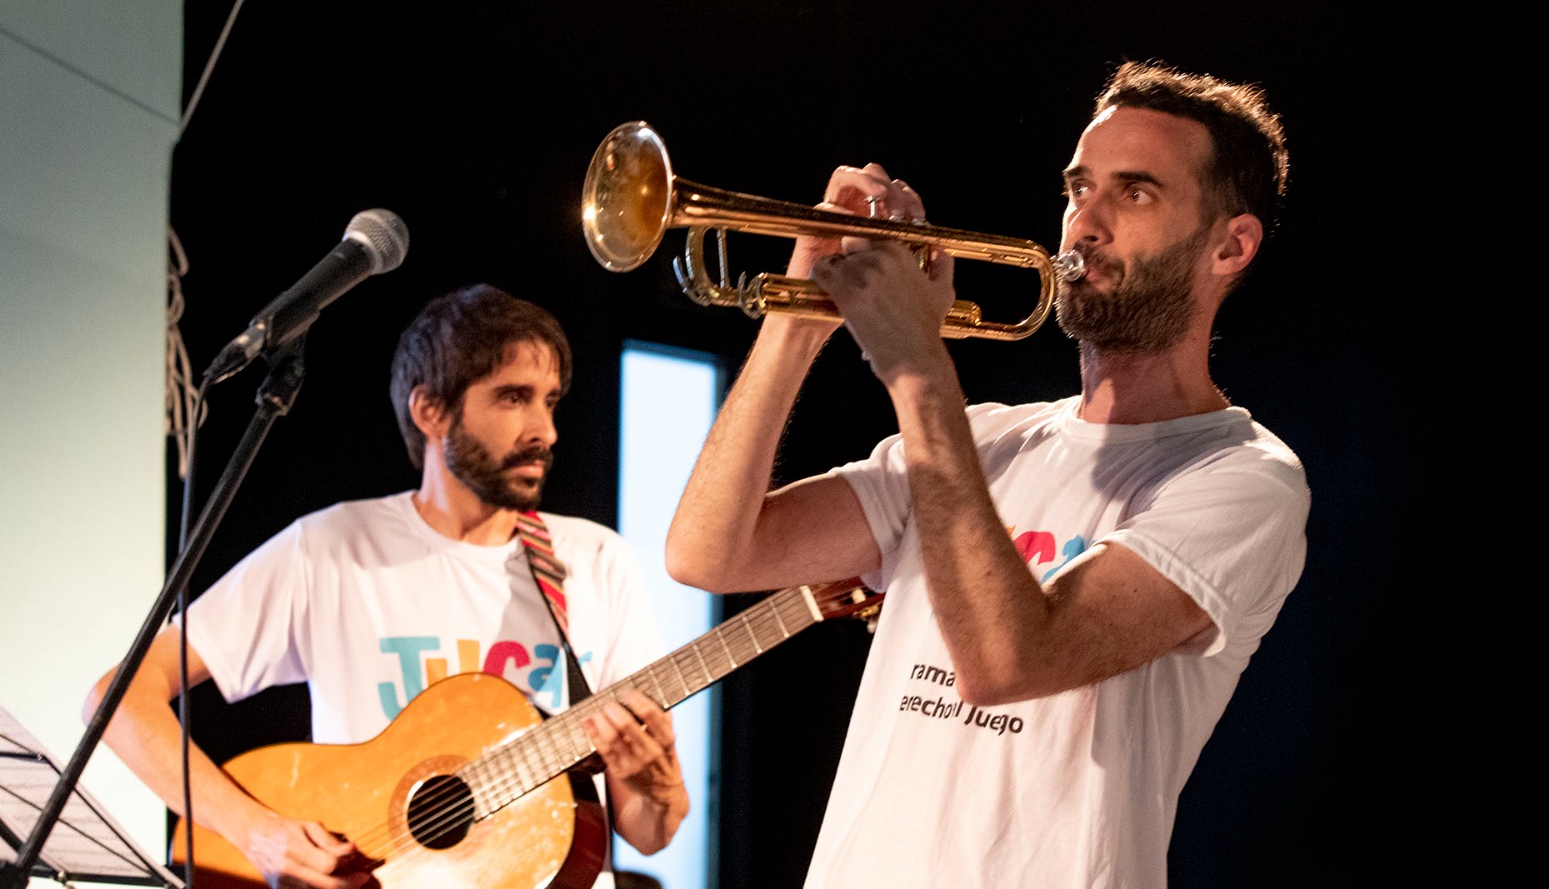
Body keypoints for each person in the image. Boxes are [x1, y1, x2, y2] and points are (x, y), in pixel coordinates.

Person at [664, 60, 1309, 887]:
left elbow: (1007, 662)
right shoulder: (983, 439)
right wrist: (799, 316)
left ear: (1231, 245)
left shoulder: (1243, 480)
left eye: (1135, 193)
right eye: (1080, 190)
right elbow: (710, 553)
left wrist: (917, 367)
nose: (1085, 224)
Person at [86, 284, 689, 889]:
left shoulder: (595, 561)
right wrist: (254, 829)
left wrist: (656, 790)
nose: (546, 431)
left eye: (550, 402)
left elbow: (646, 832)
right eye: (513, 398)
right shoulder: (331, 549)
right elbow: (118, 697)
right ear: (431, 411)